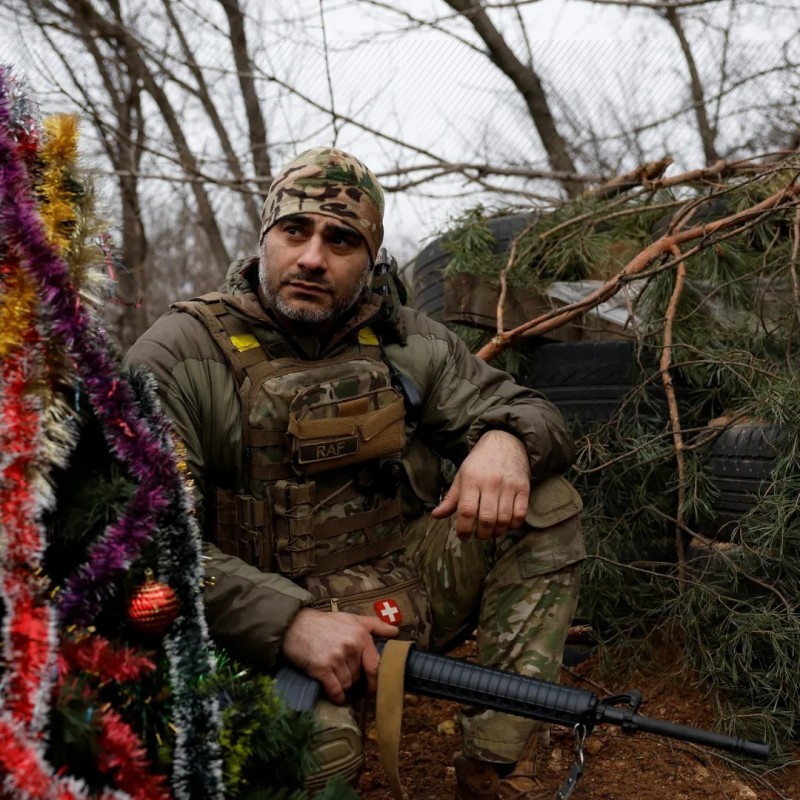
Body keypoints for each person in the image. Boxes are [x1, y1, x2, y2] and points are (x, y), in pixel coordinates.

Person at [125, 147, 585, 800]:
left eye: (341, 240)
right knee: (320, 760)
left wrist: (508, 440)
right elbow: (138, 539)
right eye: (296, 231)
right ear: (265, 239)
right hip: (258, 637)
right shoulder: (182, 354)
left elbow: (529, 411)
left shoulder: (404, 339)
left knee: (545, 501)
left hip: (400, 591)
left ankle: (497, 766)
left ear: (370, 260)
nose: (314, 258)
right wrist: (288, 622)